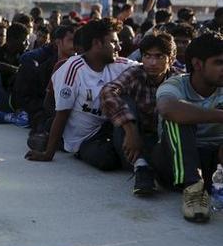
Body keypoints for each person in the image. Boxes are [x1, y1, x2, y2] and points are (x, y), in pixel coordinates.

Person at [26, 18, 138, 170]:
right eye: (113, 42)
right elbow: (62, 115)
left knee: (126, 102)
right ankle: (53, 142)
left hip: (109, 128)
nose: (118, 47)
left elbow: (150, 69)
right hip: (84, 138)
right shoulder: (72, 69)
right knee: (106, 160)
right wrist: (48, 154)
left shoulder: (120, 64)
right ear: (97, 43)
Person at [149, 32, 223, 222]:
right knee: (178, 117)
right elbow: (167, 109)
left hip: (213, 164)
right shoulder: (175, 84)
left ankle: (204, 186)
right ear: (198, 64)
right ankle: (193, 190)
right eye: (219, 63)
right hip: (173, 163)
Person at [100, 33, 179, 196]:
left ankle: (152, 168)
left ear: (171, 58)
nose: (152, 62)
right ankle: (141, 167)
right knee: (124, 100)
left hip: (162, 140)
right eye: (147, 56)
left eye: (159, 57)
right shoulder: (135, 73)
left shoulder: (178, 79)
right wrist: (131, 131)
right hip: (131, 139)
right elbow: (108, 91)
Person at [0, 22, 30, 126]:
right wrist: (9, 69)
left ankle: (18, 114)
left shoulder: (27, 54)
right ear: (12, 40)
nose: (27, 43)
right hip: (1, 97)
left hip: (17, 99)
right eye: (24, 40)